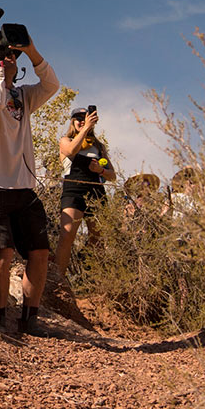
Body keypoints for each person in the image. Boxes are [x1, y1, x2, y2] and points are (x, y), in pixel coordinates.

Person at [0, 30, 62, 336]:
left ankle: (29, 319)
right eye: (3, 54)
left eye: (12, 55)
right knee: (3, 253)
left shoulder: (23, 97)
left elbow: (52, 85)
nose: (9, 58)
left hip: (22, 185)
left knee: (39, 251)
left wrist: (31, 51)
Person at [52, 105, 118, 288]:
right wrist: (86, 128)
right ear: (73, 122)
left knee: (98, 237)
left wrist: (101, 170)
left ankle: (94, 280)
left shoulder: (99, 146)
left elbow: (113, 176)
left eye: (86, 118)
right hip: (73, 189)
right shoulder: (66, 140)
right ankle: (58, 282)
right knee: (67, 235)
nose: (82, 121)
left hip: (96, 192)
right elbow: (70, 151)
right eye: (79, 119)